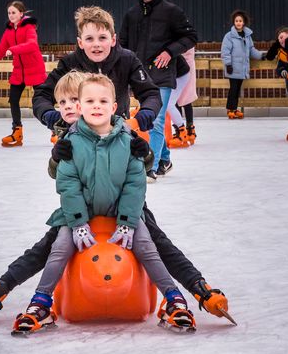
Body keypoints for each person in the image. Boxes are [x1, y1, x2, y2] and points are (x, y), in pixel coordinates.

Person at [0, 71, 230, 328]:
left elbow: (137, 171)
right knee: (49, 248)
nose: (71, 107)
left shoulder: (118, 126)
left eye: (75, 100)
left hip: (123, 208)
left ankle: (196, 291)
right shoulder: (68, 134)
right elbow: (62, 178)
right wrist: (58, 165)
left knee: (156, 244)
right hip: (80, 210)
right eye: (64, 102)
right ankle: (9, 292)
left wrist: (145, 153)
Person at [12, 74, 196, 334]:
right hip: (80, 214)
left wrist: (127, 223)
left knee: (146, 245)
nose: (96, 106)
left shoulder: (128, 140)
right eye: (89, 101)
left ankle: (174, 297)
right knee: (60, 246)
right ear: (80, 107)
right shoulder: (70, 143)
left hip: (120, 213)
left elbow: (135, 186)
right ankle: (40, 301)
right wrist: (77, 223)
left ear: (114, 107)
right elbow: (68, 185)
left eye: (102, 101)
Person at [119, 0, 198, 182]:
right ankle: (164, 159)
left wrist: (169, 52)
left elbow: (190, 37)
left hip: (163, 73)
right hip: (140, 75)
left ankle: (149, 168)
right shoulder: (132, 14)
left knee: (156, 119)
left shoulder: (172, 12)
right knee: (150, 117)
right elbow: (123, 44)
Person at [32, 6, 161, 135]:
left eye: (102, 38)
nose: (96, 44)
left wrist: (144, 115)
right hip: (78, 133)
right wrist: (50, 116)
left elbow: (150, 93)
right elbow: (42, 94)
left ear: (113, 40)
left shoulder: (127, 60)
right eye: (89, 39)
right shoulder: (69, 63)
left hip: (117, 131)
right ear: (80, 42)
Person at [0, 1, 47, 147]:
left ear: (21, 14)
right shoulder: (8, 31)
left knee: (43, 100)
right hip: (19, 71)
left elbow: (32, 44)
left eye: (14, 12)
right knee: (13, 100)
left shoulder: (29, 27)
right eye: (9, 13)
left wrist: (14, 49)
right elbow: (0, 52)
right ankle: (17, 132)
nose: (11, 15)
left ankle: (55, 131)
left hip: (35, 68)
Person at [221, 10, 265, 119]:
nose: (238, 23)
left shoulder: (247, 36)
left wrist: (261, 56)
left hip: (242, 68)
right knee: (233, 89)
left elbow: (251, 49)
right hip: (233, 68)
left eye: (240, 21)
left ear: (244, 22)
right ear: (234, 22)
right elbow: (225, 51)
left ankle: (235, 109)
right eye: (236, 21)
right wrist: (228, 65)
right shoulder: (229, 36)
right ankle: (230, 110)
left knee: (237, 90)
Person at [175, 47, 198, 145]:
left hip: (181, 68)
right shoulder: (188, 38)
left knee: (178, 100)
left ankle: (181, 130)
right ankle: (188, 129)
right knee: (182, 100)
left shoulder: (183, 39)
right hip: (182, 68)